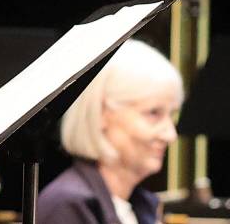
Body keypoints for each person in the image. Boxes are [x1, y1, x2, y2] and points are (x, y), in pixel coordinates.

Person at [38, 39, 183, 224]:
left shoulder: (142, 207)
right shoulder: (66, 206)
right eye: (153, 113)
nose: (170, 135)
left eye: (171, 115)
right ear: (102, 114)